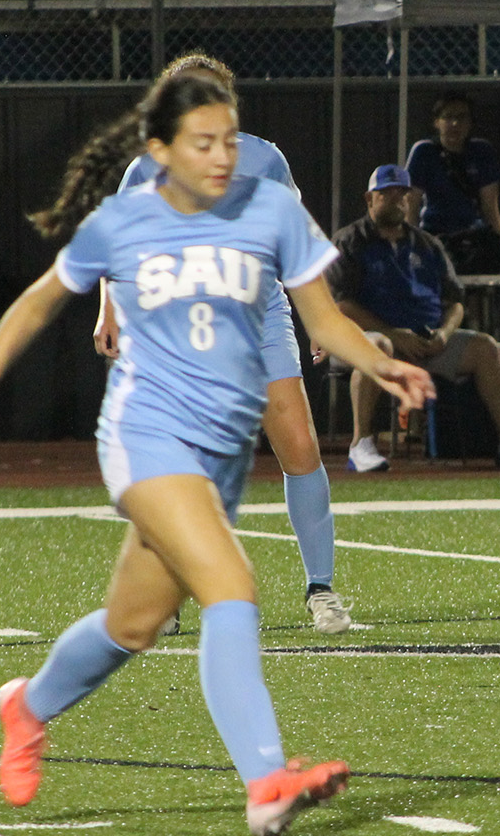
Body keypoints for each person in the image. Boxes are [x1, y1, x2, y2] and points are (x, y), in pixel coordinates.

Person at [0, 73, 434, 833]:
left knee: (131, 625)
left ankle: (27, 705)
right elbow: (37, 301)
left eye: (230, 139)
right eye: (203, 142)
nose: (223, 155)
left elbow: (323, 321)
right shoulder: (124, 219)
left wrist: (378, 360)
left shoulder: (269, 205)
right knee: (231, 586)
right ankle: (267, 781)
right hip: (145, 435)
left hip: (220, 451)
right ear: (159, 148)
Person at [86, 53, 352, 635]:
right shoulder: (149, 167)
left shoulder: (263, 158)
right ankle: (166, 596)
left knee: (300, 446)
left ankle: (321, 589)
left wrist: (321, 317)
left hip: (258, 315)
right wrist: (109, 305)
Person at [329, 164, 500, 471]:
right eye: (385, 194)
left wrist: (443, 334)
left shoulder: (427, 244)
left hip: (426, 340)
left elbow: (455, 302)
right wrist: (394, 333)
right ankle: (361, 444)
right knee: (377, 346)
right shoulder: (350, 241)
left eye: (401, 194)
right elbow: (340, 304)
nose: (395, 200)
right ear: (369, 199)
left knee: (485, 348)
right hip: (371, 339)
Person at [404, 91, 500, 273]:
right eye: (448, 117)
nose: (454, 124)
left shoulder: (482, 151)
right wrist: (408, 252)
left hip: (473, 238)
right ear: (437, 122)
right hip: (435, 237)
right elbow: (411, 207)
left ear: (470, 123)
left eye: (461, 117)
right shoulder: (423, 152)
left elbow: (491, 208)